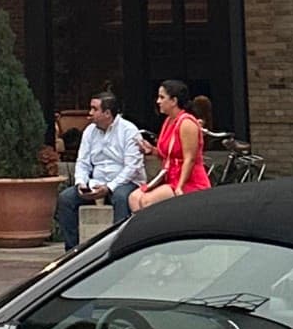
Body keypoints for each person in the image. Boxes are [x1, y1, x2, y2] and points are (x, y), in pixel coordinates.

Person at [54, 93, 148, 262]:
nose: (89, 113)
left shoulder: (129, 131)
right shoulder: (89, 131)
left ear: (108, 113)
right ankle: (71, 254)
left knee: (121, 197)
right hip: (96, 182)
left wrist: (109, 187)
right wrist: (81, 183)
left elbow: (132, 168)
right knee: (66, 198)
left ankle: (118, 252)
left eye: (94, 109)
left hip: (124, 182)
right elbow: (82, 162)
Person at [130, 77, 210, 210]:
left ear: (174, 101)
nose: (158, 101)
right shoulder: (168, 121)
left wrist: (179, 186)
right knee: (134, 198)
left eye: (162, 97)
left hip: (188, 180)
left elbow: (189, 159)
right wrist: (152, 150)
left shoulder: (186, 123)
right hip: (170, 175)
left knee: (147, 201)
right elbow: (166, 154)